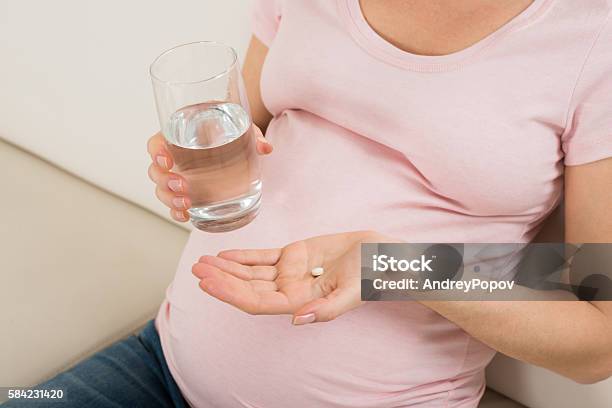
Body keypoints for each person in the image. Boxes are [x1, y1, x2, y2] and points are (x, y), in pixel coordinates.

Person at [5, 1, 612, 407]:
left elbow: (599, 335)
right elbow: (245, 129)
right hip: (159, 365)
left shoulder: (591, 42)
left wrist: (392, 265)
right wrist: (187, 171)